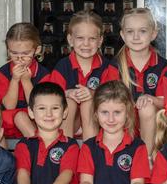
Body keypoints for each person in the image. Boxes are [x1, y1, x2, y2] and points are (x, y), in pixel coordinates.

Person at [77, 80, 149, 184]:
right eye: (104, 112)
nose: (110, 119)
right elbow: (85, 183)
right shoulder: (89, 146)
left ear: (128, 114)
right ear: (95, 114)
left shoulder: (137, 146)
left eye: (117, 112)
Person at [48, 11, 119, 139]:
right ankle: (65, 150)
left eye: (92, 39)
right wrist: (67, 93)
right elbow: (50, 97)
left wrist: (93, 94)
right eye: (80, 38)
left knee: (88, 102)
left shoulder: (108, 67)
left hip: (100, 122)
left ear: (100, 41)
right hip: (70, 122)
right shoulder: (62, 66)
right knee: (68, 101)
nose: (86, 44)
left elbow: (115, 97)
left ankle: (90, 152)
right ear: (70, 40)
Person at [114, 7, 167, 152]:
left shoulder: (163, 66)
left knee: (146, 107)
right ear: (122, 35)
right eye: (130, 31)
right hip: (123, 122)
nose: (136, 37)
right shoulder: (115, 66)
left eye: (143, 31)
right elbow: (108, 101)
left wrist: (150, 99)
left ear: (153, 34)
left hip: (155, 126)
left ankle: (147, 158)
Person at [0, 22, 50, 139]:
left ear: (37, 50)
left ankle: (37, 147)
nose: (20, 58)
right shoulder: (2, 73)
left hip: (36, 119)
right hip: (9, 121)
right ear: (8, 49)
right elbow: (9, 106)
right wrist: (14, 80)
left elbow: (38, 105)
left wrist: (26, 81)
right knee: (19, 115)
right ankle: (36, 145)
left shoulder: (44, 74)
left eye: (25, 53)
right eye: (14, 53)